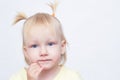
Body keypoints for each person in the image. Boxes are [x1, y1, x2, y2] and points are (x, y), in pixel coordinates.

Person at [10, 2, 82, 80]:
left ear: (62, 47)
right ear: (26, 51)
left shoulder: (72, 77)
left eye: (50, 44)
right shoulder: (18, 77)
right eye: (34, 46)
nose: (43, 52)